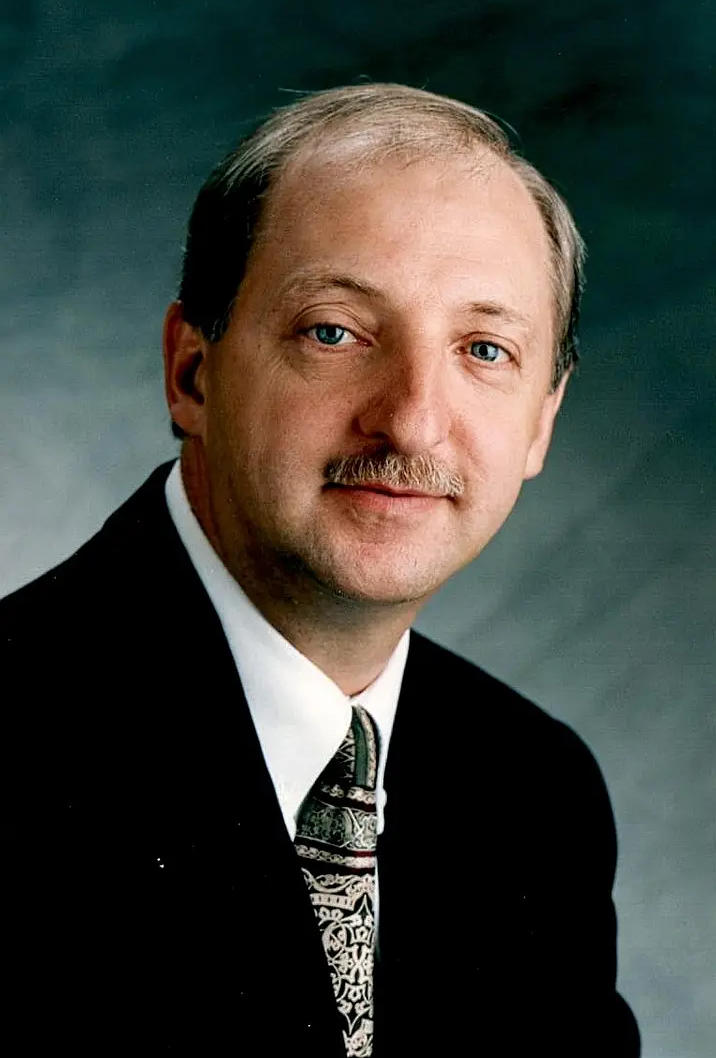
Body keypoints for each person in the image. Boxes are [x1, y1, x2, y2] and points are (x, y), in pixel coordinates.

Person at [2, 83, 640, 1056]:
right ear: (193, 370)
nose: (412, 419)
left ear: (540, 423)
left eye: (483, 349)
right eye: (334, 332)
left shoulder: (534, 795)